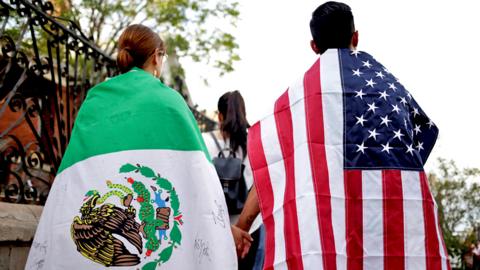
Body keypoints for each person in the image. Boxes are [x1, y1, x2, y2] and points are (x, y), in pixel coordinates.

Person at [237, 2, 450, 269]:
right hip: (390, 227)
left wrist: (242, 224)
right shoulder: (390, 89)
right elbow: (422, 136)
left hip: (325, 232)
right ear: (356, 37)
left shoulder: (297, 101)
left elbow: (272, 165)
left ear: (314, 46)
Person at [25, 24, 251, 270]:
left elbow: (74, 180)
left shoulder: (94, 102)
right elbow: (198, 189)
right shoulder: (171, 103)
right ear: (156, 57)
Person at [202, 91, 264, 269]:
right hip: (248, 228)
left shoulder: (204, 141)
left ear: (220, 115)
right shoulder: (255, 143)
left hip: (216, 226)